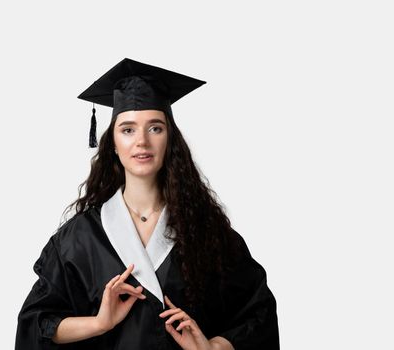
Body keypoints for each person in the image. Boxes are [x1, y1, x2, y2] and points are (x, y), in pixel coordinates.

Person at [15, 58, 280, 350]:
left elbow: (258, 313)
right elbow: (36, 323)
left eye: (155, 128)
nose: (142, 141)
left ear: (170, 140)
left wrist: (213, 347)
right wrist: (99, 323)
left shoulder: (206, 232)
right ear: (113, 143)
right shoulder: (79, 238)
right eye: (128, 129)